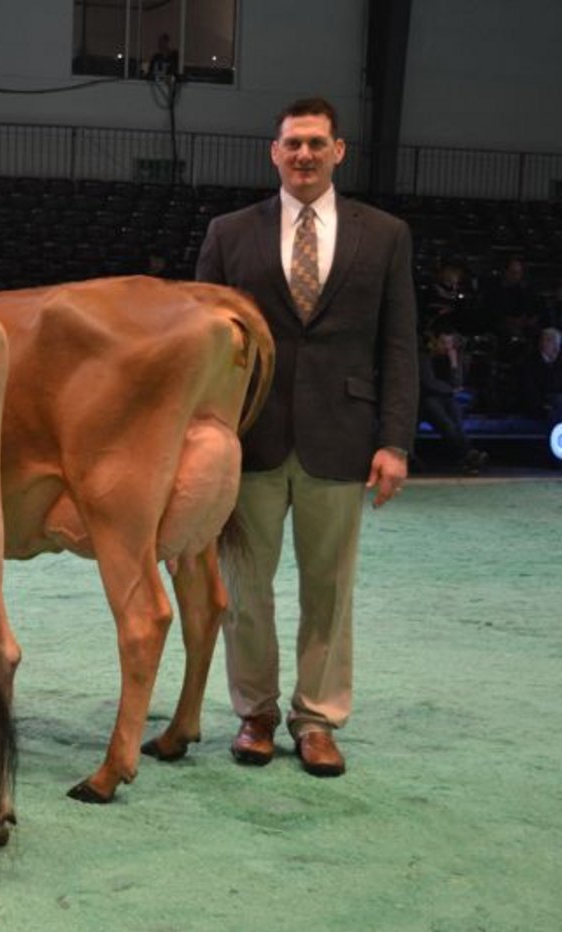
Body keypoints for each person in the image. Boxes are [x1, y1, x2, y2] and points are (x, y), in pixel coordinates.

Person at [196, 97, 417, 777]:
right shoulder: (229, 232)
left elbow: (399, 342)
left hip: (342, 437)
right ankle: (256, 713)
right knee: (245, 587)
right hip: (250, 437)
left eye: (317, 143)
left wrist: (396, 441)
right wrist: (203, 438)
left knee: (330, 589)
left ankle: (317, 718)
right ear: (274, 151)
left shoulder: (384, 235)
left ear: (338, 151)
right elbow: (201, 345)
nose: (304, 155)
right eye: (292, 143)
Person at [418, 323, 488, 475]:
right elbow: (429, 383)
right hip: (428, 399)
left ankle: (468, 456)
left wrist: (454, 363)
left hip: (446, 398)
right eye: (443, 343)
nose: (446, 347)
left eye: (449, 343)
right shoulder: (425, 358)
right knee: (447, 424)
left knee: (457, 424)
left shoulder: (453, 358)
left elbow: (458, 383)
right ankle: (469, 455)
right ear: (435, 342)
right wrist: (450, 389)